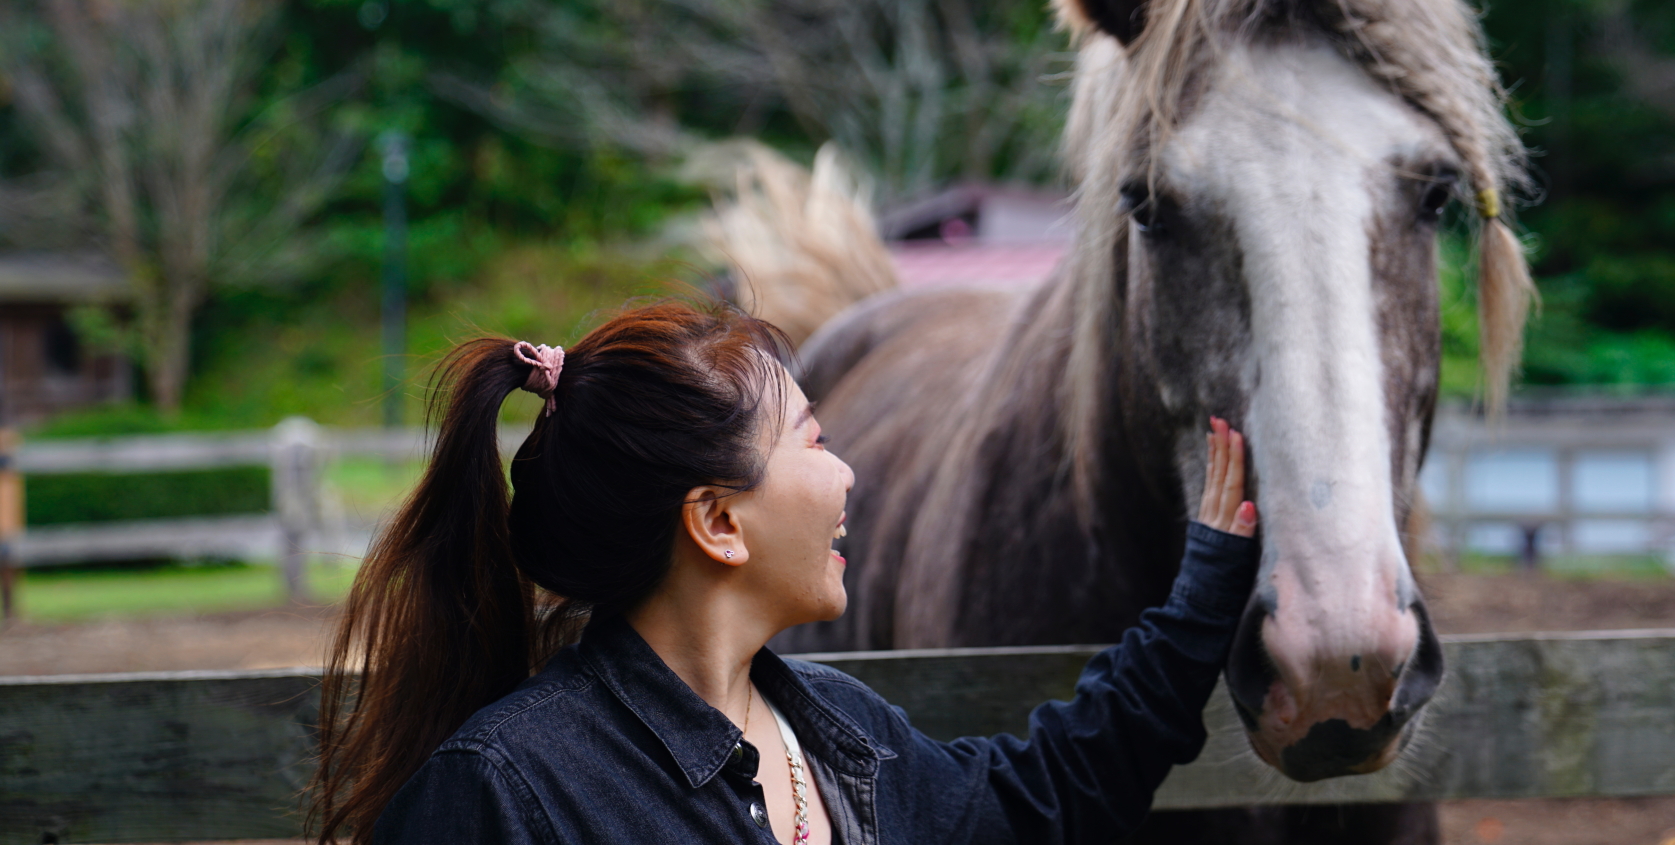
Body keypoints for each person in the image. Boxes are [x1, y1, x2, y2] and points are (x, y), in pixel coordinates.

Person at [311, 300, 1258, 845]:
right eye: (814, 439)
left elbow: (1050, 791)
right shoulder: (504, 793)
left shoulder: (843, 734)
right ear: (720, 521)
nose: (847, 473)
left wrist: (1204, 591)